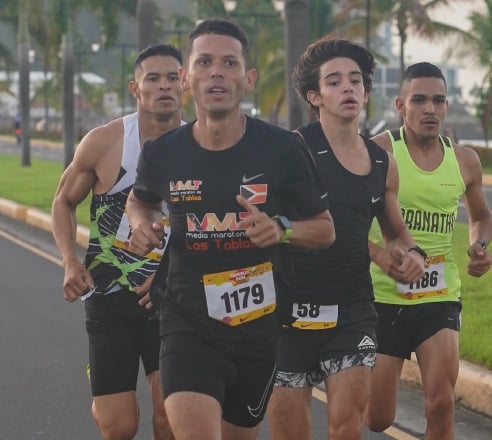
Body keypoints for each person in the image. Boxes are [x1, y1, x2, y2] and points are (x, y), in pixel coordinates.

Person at [124, 19, 335, 440]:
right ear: (187, 79)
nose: (216, 72)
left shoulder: (283, 149)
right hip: (187, 325)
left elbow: (325, 229)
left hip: (259, 329)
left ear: (248, 78)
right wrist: (140, 224)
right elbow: (141, 199)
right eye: (204, 62)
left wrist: (282, 229)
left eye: (229, 62)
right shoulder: (163, 153)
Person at [266, 37, 425, 440]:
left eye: (355, 81)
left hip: (352, 310)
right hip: (286, 310)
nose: (348, 88)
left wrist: (412, 255)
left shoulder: (381, 162)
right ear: (314, 96)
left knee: (346, 428)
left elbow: (395, 232)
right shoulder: (289, 152)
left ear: (366, 92)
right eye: (334, 82)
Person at [51, 43, 185, 440]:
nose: (164, 86)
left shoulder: (202, 148)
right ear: (135, 88)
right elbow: (63, 201)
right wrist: (70, 262)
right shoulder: (105, 142)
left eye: (173, 77)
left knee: (170, 419)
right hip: (110, 297)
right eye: (153, 78)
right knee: (120, 426)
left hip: (174, 301)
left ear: (186, 85)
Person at [364, 62, 492, 440]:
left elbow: (482, 217)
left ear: (447, 106)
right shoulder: (379, 152)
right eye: (419, 100)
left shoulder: (465, 160)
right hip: (382, 298)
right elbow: (347, 222)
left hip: (439, 296)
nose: (430, 109)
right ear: (400, 105)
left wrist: (479, 245)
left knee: (441, 404)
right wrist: (380, 256)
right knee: (377, 418)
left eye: (438, 100)